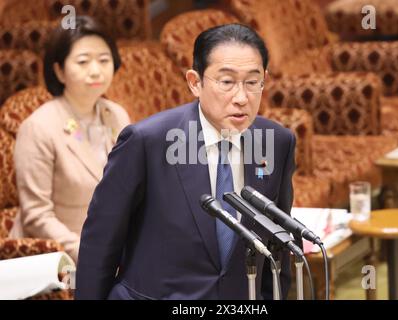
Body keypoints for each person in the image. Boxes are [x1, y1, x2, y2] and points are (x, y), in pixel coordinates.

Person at [75, 24, 295, 300]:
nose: (241, 98)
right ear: (195, 82)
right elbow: (100, 243)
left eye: (252, 82)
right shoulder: (148, 141)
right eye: (226, 82)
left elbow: (279, 243)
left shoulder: (276, 142)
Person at [13, 16, 130, 263]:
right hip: (59, 260)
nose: (96, 70)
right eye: (83, 62)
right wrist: (89, 254)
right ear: (59, 70)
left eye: (104, 60)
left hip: (115, 251)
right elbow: (36, 216)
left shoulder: (116, 116)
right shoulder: (39, 128)